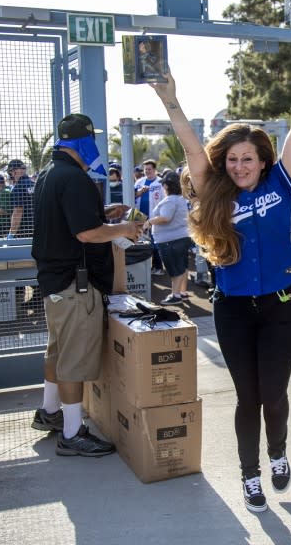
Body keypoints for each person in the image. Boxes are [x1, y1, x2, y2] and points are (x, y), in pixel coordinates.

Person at [150, 47, 291, 513]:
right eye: (232, 159)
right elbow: (193, 146)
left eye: (247, 158)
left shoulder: (280, 182)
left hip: (282, 305)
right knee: (247, 397)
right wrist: (170, 99)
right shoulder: (215, 192)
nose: (239, 166)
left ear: (261, 159)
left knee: (273, 394)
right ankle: (249, 475)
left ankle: (277, 455)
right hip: (233, 308)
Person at [30, 113, 142, 456]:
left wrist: (104, 213)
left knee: (58, 351)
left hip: (53, 282)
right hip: (73, 284)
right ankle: (72, 431)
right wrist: (124, 229)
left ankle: (50, 412)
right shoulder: (74, 178)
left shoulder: (49, 174)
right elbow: (86, 234)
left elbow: (72, 220)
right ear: (84, 141)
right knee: (73, 360)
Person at [145, 172, 192, 304]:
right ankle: (182, 293)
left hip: (170, 240)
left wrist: (149, 222)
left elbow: (166, 217)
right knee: (182, 266)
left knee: (175, 269)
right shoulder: (182, 198)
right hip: (181, 237)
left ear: (166, 186)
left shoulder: (170, 200)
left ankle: (176, 295)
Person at [135, 159, 165, 276]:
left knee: (155, 242)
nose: (147, 171)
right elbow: (132, 195)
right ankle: (143, 267)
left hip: (154, 217)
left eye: (149, 169)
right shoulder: (139, 182)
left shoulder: (161, 182)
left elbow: (164, 200)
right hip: (138, 216)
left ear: (154, 170)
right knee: (139, 241)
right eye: (145, 169)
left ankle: (158, 267)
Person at [6, 159, 35, 239]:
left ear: (14, 171)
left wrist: (11, 233)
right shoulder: (35, 184)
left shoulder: (18, 188)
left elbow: (18, 211)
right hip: (39, 226)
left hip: (24, 230)